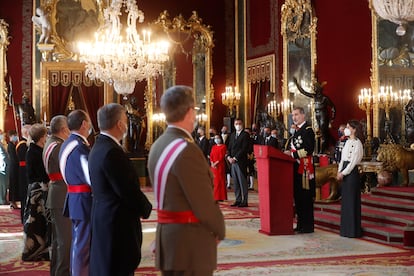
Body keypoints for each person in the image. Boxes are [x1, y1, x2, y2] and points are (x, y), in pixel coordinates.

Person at [147, 85, 225, 275]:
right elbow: (203, 203)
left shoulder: (158, 145)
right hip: (189, 241)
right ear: (190, 112)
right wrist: (219, 229)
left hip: (169, 237)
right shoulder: (186, 149)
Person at [89, 103, 152, 276]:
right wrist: (146, 208)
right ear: (119, 124)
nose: (127, 124)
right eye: (125, 120)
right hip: (115, 221)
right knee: (116, 267)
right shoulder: (112, 152)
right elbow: (127, 190)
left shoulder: (98, 146)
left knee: (105, 265)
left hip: (103, 215)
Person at [59, 109, 93, 276]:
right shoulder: (79, 147)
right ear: (84, 124)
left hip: (76, 199)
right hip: (83, 200)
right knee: (83, 246)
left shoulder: (68, 143)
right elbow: (91, 178)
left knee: (79, 243)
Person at [43, 115, 71, 276]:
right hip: (61, 195)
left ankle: (56, 272)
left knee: (58, 241)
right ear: (63, 129)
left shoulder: (50, 142)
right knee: (65, 242)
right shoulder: (59, 146)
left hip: (56, 193)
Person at [284, 107, 316, 234]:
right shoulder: (296, 132)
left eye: (296, 115)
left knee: (305, 198)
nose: (294, 117)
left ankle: (308, 226)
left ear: (303, 115)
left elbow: (308, 149)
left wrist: (292, 155)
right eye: (293, 115)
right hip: (296, 168)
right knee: (298, 198)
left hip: (305, 169)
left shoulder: (308, 130)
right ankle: (301, 224)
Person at [23, 123, 50, 261]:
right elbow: (41, 173)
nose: (47, 137)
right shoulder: (35, 151)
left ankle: (41, 251)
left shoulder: (35, 149)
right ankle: (33, 251)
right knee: (36, 222)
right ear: (41, 137)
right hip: (37, 191)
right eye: (45, 135)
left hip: (38, 189)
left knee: (40, 221)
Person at [293, 77, 335, 154]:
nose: (314, 89)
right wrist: (297, 84)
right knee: (320, 132)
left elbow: (333, 107)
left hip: (323, 115)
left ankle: (322, 151)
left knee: (323, 133)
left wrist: (332, 119)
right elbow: (303, 92)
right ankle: (324, 148)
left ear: (319, 89)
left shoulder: (324, 98)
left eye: (315, 88)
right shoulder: (314, 96)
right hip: (317, 115)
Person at [336, 120, 364, 238]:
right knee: (346, 201)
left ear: (354, 129)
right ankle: (345, 229)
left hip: (351, 174)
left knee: (352, 202)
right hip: (344, 171)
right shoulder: (347, 142)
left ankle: (353, 230)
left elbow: (353, 162)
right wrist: (339, 170)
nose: (346, 129)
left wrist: (344, 172)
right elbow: (343, 159)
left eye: (348, 127)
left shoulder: (358, 144)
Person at [227, 118, 250, 207]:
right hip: (232, 162)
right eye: (236, 123)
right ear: (234, 125)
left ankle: (245, 200)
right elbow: (229, 147)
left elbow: (244, 149)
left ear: (242, 124)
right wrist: (229, 157)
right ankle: (238, 199)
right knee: (236, 182)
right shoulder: (232, 135)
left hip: (240, 162)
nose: (238, 125)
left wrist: (235, 158)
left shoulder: (245, 135)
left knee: (242, 181)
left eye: (239, 123)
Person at [17, 124, 31, 223]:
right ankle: (24, 216)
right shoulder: (23, 144)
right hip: (23, 172)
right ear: (26, 133)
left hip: (24, 171)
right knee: (24, 195)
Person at [210, 135, 228, 201]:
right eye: (215, 138)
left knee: (220, 181)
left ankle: (220, 197)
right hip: (213, 166)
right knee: (214, 182)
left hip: (220, 165)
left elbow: (222, 157)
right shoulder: (213, 147)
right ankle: (215, 196)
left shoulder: (223, 146)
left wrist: (215, 163)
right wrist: (212, 163)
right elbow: (211, 155)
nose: (216, 139)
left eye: (218, 138)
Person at [7, 130, 19, 209]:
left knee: (14, 184)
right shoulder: (11, 145)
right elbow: (14, 158)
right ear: (11, 136)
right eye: (15, 135)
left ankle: (13, 201)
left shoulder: (13, 145)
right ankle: (12, 201)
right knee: (13, 184)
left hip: (14, 166)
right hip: (13, 167)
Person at [0, 130, 9, 205]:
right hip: (2, 167)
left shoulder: (2, 143)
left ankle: (3, 199)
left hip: (5, 167)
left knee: (5, 185)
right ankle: (2, 200)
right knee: (2, 185)